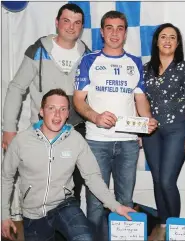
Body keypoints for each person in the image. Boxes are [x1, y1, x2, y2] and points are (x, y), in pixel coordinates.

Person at [1, 88, 135, 241]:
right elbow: (6, 178)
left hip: (64, 205)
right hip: (33, 213)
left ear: (67, 114)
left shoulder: (76, 140)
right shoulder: (21, 141)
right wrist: (4, 216)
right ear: (41, 112)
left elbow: (92, 176)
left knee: (85, 238)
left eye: (62, 109)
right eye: (51, 108)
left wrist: (115, 205)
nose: (57, 114)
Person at [73, 10, 158, 241]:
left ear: (125, 33)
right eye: (109, 28)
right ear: (101, 32)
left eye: (119, 28)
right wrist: (95, 117)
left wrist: (147, 120)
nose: (114, 33)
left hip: (128, 142)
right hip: (96, 142)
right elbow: (78, 100)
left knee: (125, 201)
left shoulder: (135, 62)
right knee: (95, 202)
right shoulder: (89, 60)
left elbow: (140, 98)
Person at [2, 3, 91, 207]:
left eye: (77, 23)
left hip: (75, 133)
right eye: (66, 21)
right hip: (41, 134)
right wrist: (8, 129)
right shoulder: (38, 50)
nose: (71, 27)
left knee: (72, 190)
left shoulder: (88, 55)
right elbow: (16, 88)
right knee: (40, 189)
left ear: (82, 27)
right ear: (57, 22)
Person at [142, 23, 185, 241]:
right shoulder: (146, 69)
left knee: (167, 180)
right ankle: (165, 224)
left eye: (172, 37)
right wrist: (141, 128)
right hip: (151, 133)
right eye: (163, 36)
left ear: (177, 43)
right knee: (157, 180)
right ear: (156, 41)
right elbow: (141, 100)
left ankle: (175, 228)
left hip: (177, 130)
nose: (167, 40)